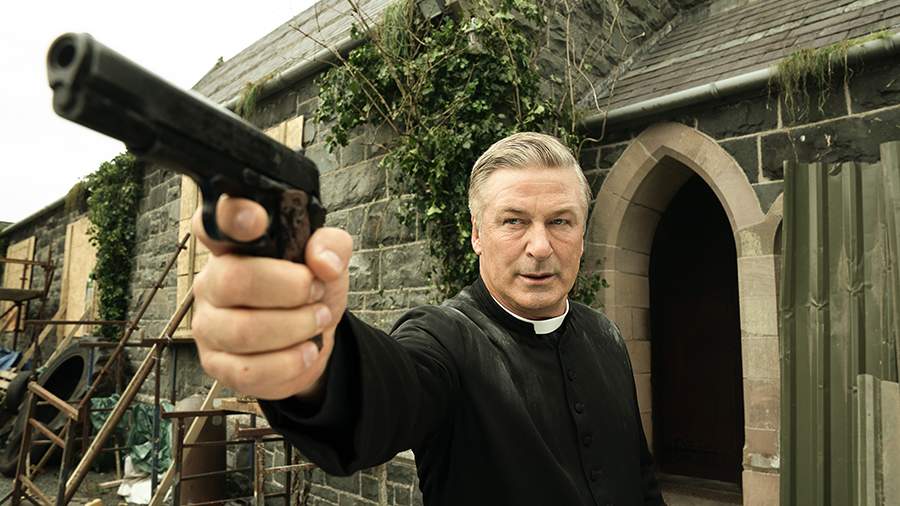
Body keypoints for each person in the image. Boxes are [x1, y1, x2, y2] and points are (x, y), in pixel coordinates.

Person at [191, 132, 666, 505]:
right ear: (477, 234)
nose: (540, 247)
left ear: (582, 235)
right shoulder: (443, 338)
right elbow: (385, 396)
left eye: (560, 221)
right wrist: (314, 356)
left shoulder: (606, 336)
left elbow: (641, 477)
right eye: (514, 221)